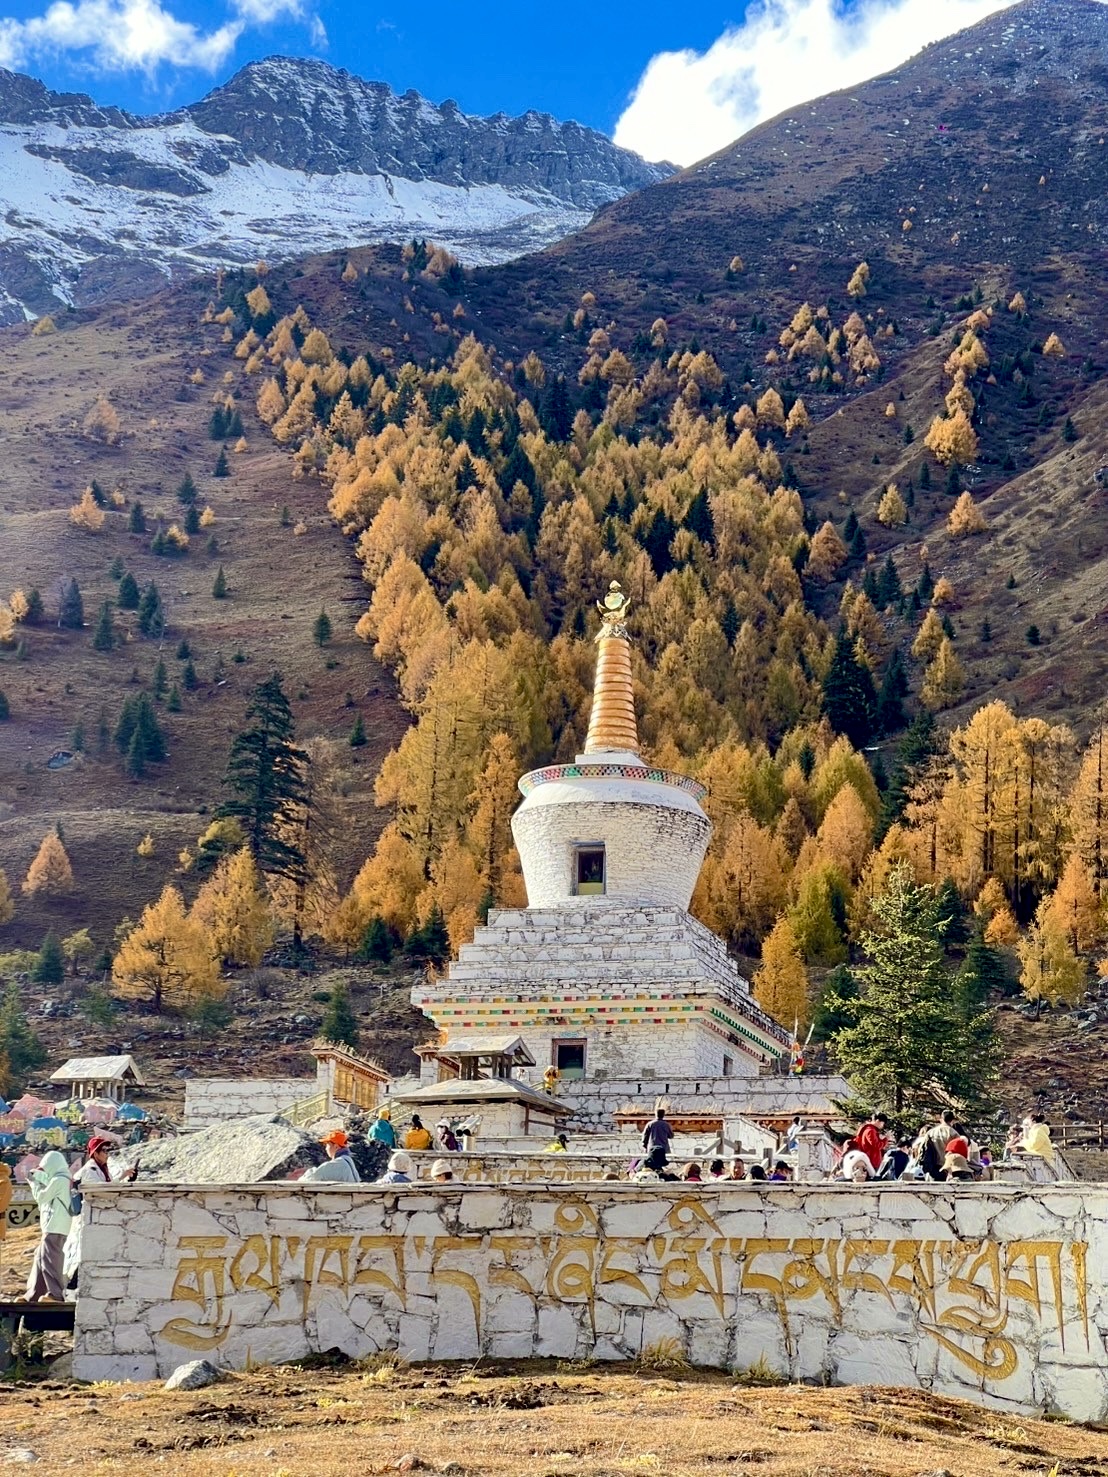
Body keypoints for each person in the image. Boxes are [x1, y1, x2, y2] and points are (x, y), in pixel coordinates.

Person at [63, 1135, 137, 1286]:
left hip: (95, 1219)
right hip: (87, 1218)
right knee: (81, 1254)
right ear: (95, 1153)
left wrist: (124, 1177)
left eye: (108, 1150)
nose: (107, 1154)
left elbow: (107, 1186)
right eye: (103, 1150)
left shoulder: (102, 1170)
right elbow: (99, 1190)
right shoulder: (90, 1170)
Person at [26, 1150, 73, 1302]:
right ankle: (33, 1294)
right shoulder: (64, 1179)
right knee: (40, 1258)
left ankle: (56, 1294)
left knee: (50, 1261)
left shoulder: (59, 1180)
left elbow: (42, 1197)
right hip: (56, 1226)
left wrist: (34, 1183)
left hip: (55, 1226)